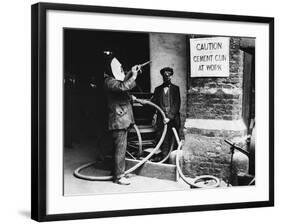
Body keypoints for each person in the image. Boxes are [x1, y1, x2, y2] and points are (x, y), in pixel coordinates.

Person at [104, 53, 141, 185]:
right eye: (119, 69)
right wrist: (134, 76)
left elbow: (124, 85)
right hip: (118, 120)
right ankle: (119, 176)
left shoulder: (114, 81)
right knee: (120, 148)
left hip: (122, 119)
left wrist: (131, 72)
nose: (121, 71)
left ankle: (117, 171)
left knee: (119, 148)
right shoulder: (109, 81)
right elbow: (123, 86)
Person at [151, 67, 181, 162]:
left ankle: (173, 160)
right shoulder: (157, 89)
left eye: (168, 76)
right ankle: (164, 159)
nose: (166, 78)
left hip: (172, 120)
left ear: (171, 76)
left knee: (173, 139)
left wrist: (169, 117)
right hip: (161, 120)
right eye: (164, 76)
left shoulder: (176, 89)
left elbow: (177, 104)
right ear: (162, 77)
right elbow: (154, 104)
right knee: (163, 139)